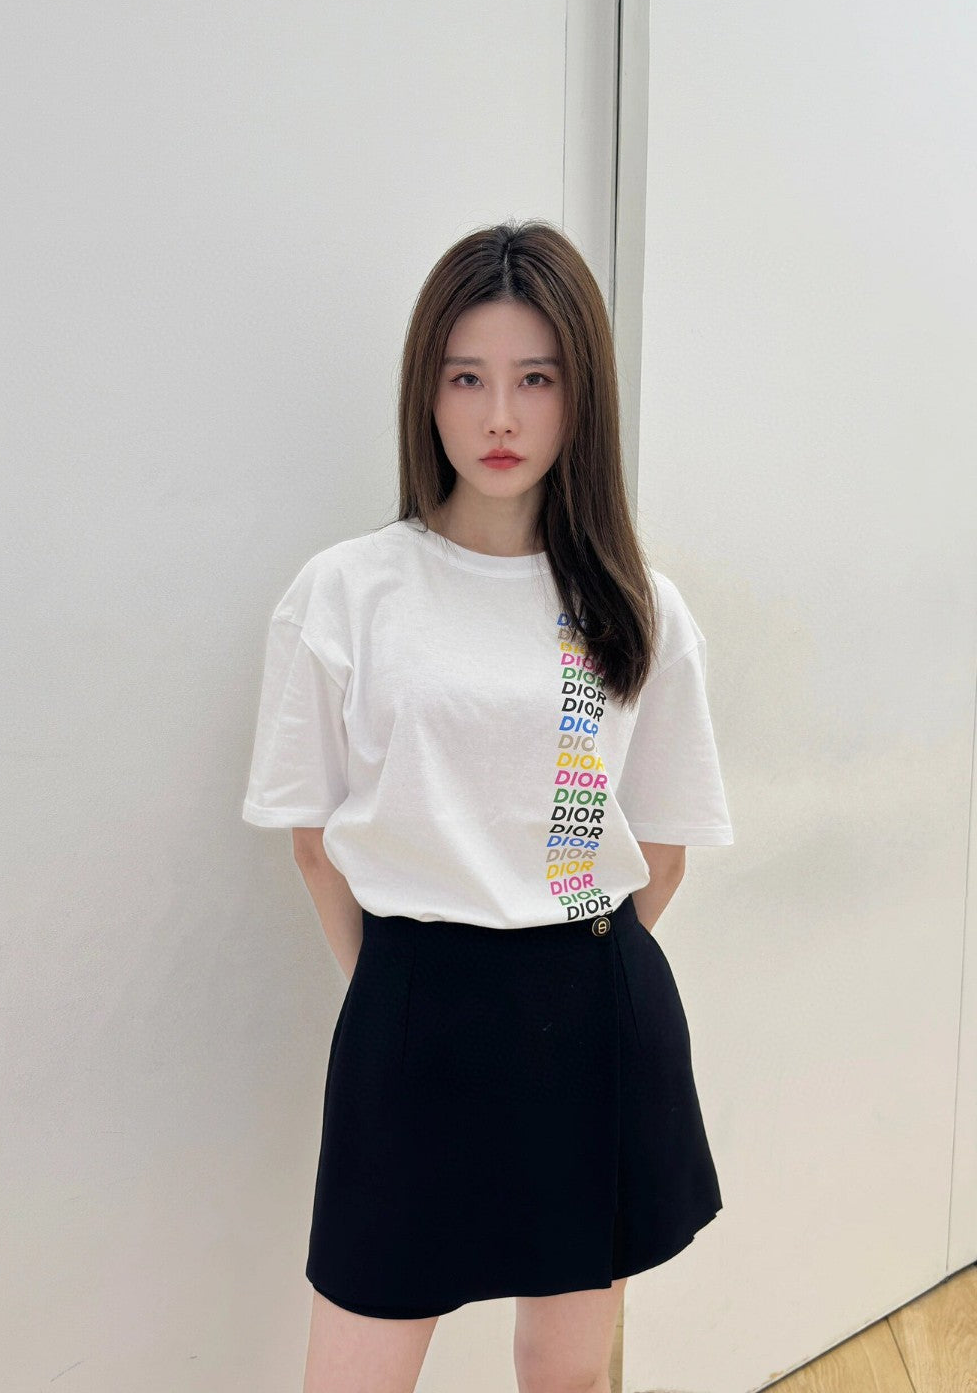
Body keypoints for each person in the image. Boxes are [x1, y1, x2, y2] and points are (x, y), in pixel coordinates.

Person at [242, 219, 735, 1393]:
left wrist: (552, 979)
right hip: (412, 1022)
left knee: (566, 1374)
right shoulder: (347, 592)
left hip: (595, 1022)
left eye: (536, 379)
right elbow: (315, 845)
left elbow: (660, 849)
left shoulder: (632, 606)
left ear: (582, 396)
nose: (499, 417)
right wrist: (414, 987)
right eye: (466, 378)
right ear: (426, 391)